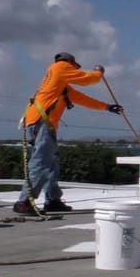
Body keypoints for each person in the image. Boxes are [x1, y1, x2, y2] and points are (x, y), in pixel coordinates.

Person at [13, 52, 122, 215]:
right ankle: (24, 202)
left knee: (52, 163)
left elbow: (82, 98)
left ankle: (52, 201)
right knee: (41, 162)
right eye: (74, 68)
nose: (74, 71)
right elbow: (87, 79)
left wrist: (107, 107)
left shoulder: (60, 86)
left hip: (41, 123)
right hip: (42, 123)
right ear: (70, 64)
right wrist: (98, 73)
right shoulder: (60, 67)